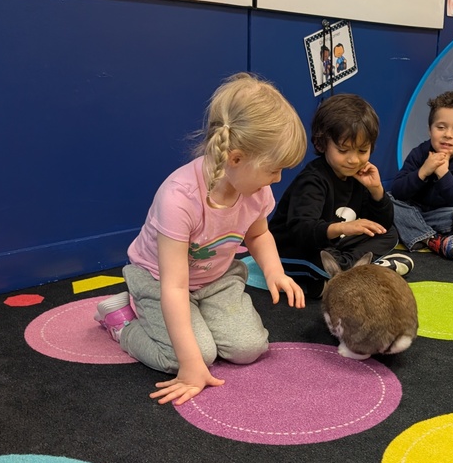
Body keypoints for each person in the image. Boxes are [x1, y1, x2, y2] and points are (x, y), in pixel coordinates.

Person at [93, 73, 307, 405]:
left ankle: (197, 323)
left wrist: (275, 272)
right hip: (158, 280)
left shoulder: (256, 190)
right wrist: (191, 366)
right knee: (191, 357)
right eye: (274, 170)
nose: (277, 180)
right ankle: (121, 322)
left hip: (215, 278)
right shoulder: (179, 198)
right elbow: (174, 287)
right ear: (235, 158)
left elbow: (259, 233)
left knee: (250, 347)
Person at [269, 92, 411, 297]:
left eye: (362, 151)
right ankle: (361, 271)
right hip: (292, 247)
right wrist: (343, 227)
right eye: (343, 150)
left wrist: (376, 191)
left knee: (388, 233)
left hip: (333, 246)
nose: (353, 160)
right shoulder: (313, 180)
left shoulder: (358, 174)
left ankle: (345, 272)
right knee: (319, 260)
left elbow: (382, 223)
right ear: (321, 144)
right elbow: (301, 230)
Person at [389, 90, 453, 260]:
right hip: (416, 209)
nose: (448, 134)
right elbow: (397, 190)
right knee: (387, 200)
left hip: (446, 215)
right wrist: (423, 172)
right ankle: (433, 240)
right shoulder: (420, 152)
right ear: (429, 130)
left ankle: (411, 229)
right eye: (440, 127)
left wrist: (443, 173)